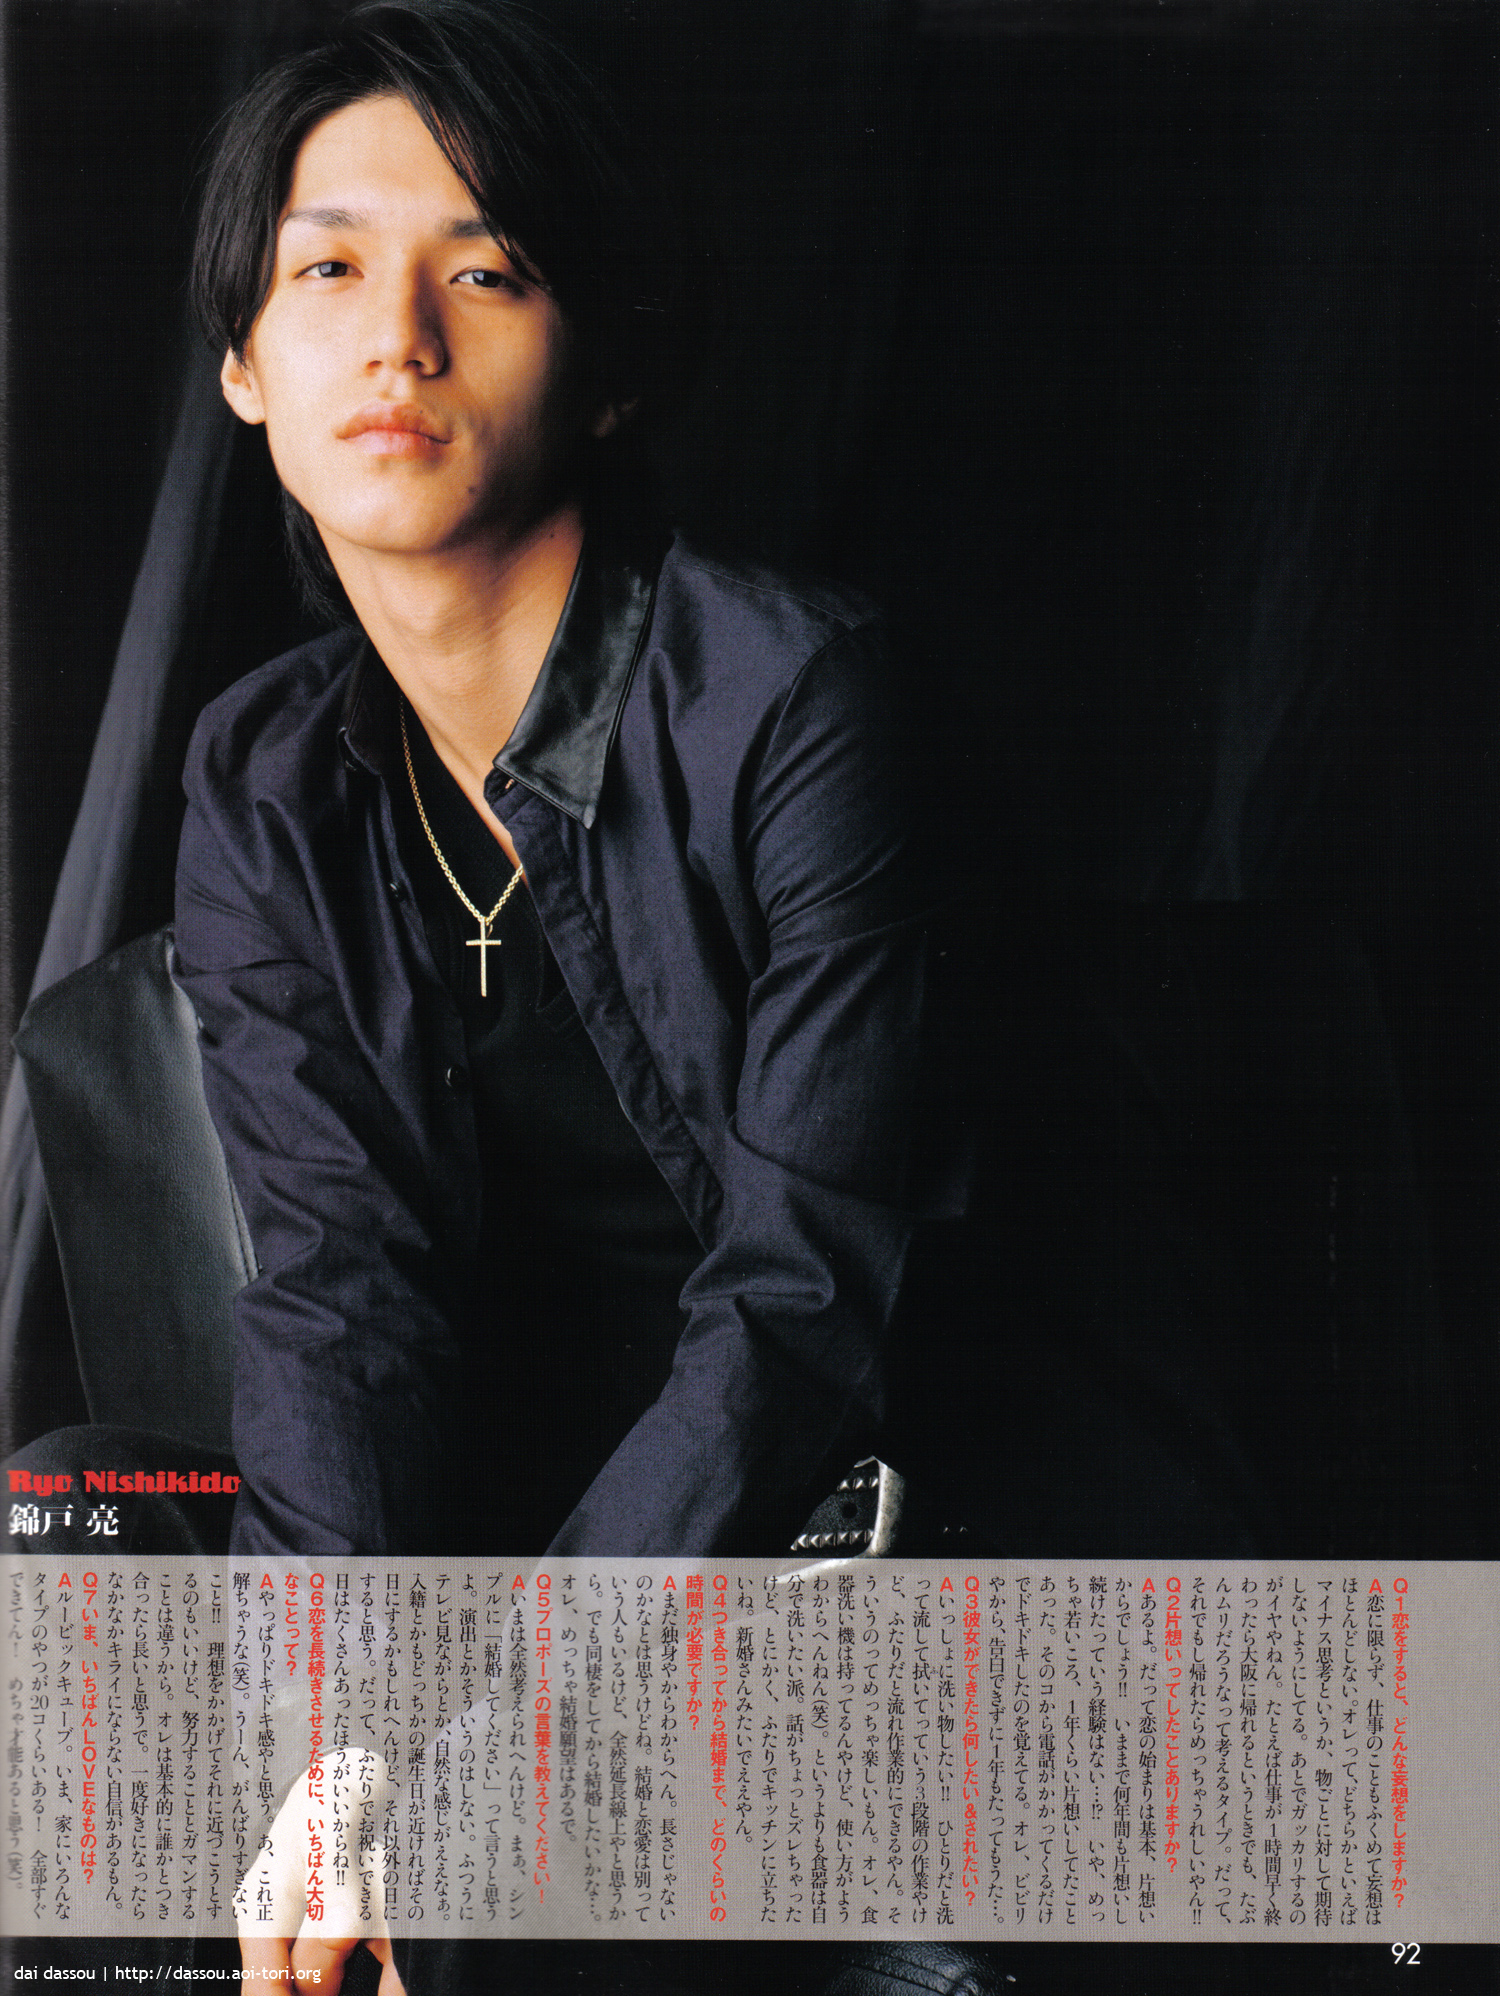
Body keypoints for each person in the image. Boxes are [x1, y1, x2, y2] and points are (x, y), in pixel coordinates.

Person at [170, 3, 954, 1987]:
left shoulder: (796, 701)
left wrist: (491, 1749)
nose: (399, 339)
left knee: (490, 1884)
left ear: (601, 369)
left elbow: (804, 1298)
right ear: (245, 365)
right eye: (328, 271)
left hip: (816, 1521)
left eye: (486, 271)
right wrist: (340, 1757)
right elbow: (337, 1290)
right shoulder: (267, 776)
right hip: (505, 1529)